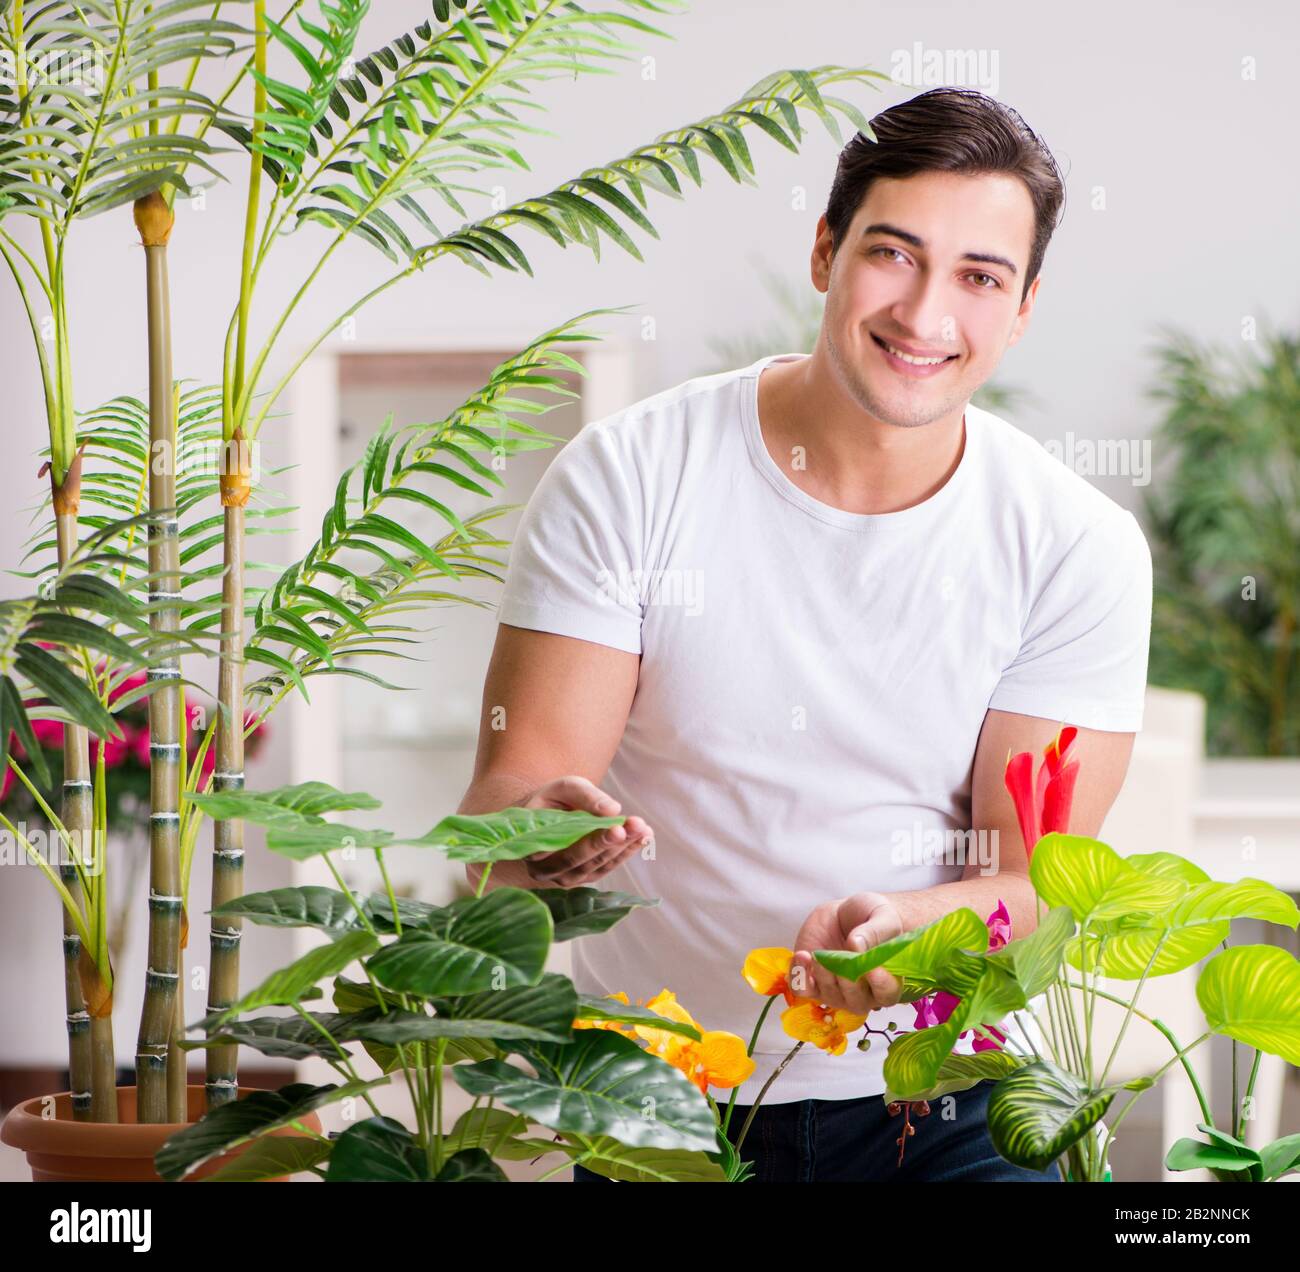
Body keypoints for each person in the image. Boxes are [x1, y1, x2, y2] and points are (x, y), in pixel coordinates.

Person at [457, 87, 1152, 1182]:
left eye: (979, 276)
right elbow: (506, 800)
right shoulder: (629, 475)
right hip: (663, 1093)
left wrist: (920, 926)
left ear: (1020, 308)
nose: (926, 316)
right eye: (893, 253)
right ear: (825, 251)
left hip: (944, 1099)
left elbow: (1036, 880)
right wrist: (537, 838)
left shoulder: (1075, 545)